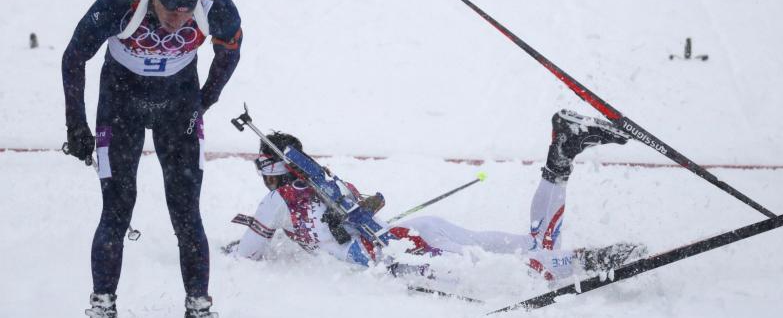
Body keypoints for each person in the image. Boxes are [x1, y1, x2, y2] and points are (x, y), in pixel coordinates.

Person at [231, 110, 645, 282]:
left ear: (272, 170)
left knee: (521, 272)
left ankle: (588, 263)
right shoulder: (326, 180)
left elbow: (246, 256)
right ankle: (562, 155)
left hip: (402, 250)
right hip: (412, 234)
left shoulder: (278, 200)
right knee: (537, 248)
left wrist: (250, 241)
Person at [62, 0, 242, 318]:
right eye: (169, 9)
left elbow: (230, 54)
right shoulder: (122, 0)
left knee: (186, 211)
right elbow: (74, 56)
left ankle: (199, 305)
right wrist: (75, 124)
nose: (178, 19)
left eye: (187, 10)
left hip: (178, 107)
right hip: (121, 103)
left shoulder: (216, 5)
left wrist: (203, 101)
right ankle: (102, 305)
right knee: (117, 209)